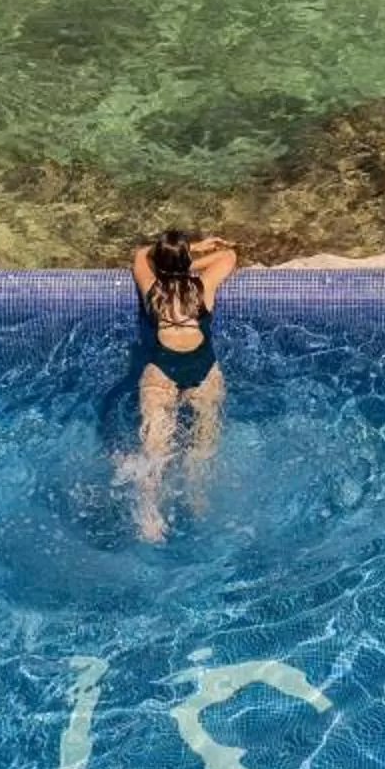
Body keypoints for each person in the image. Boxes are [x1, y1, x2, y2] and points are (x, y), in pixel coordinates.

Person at [128, 229, 237, 542]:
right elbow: (229, 256)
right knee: (202, 444)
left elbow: (139, 254)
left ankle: (149, 515)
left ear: (159, 265)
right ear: (187, 262)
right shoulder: (202, 288)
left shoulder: (152, 289)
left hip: (161, 373)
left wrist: (184, 252)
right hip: (203, 371)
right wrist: (196, 254)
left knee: (154, 450)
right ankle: (197, 502)